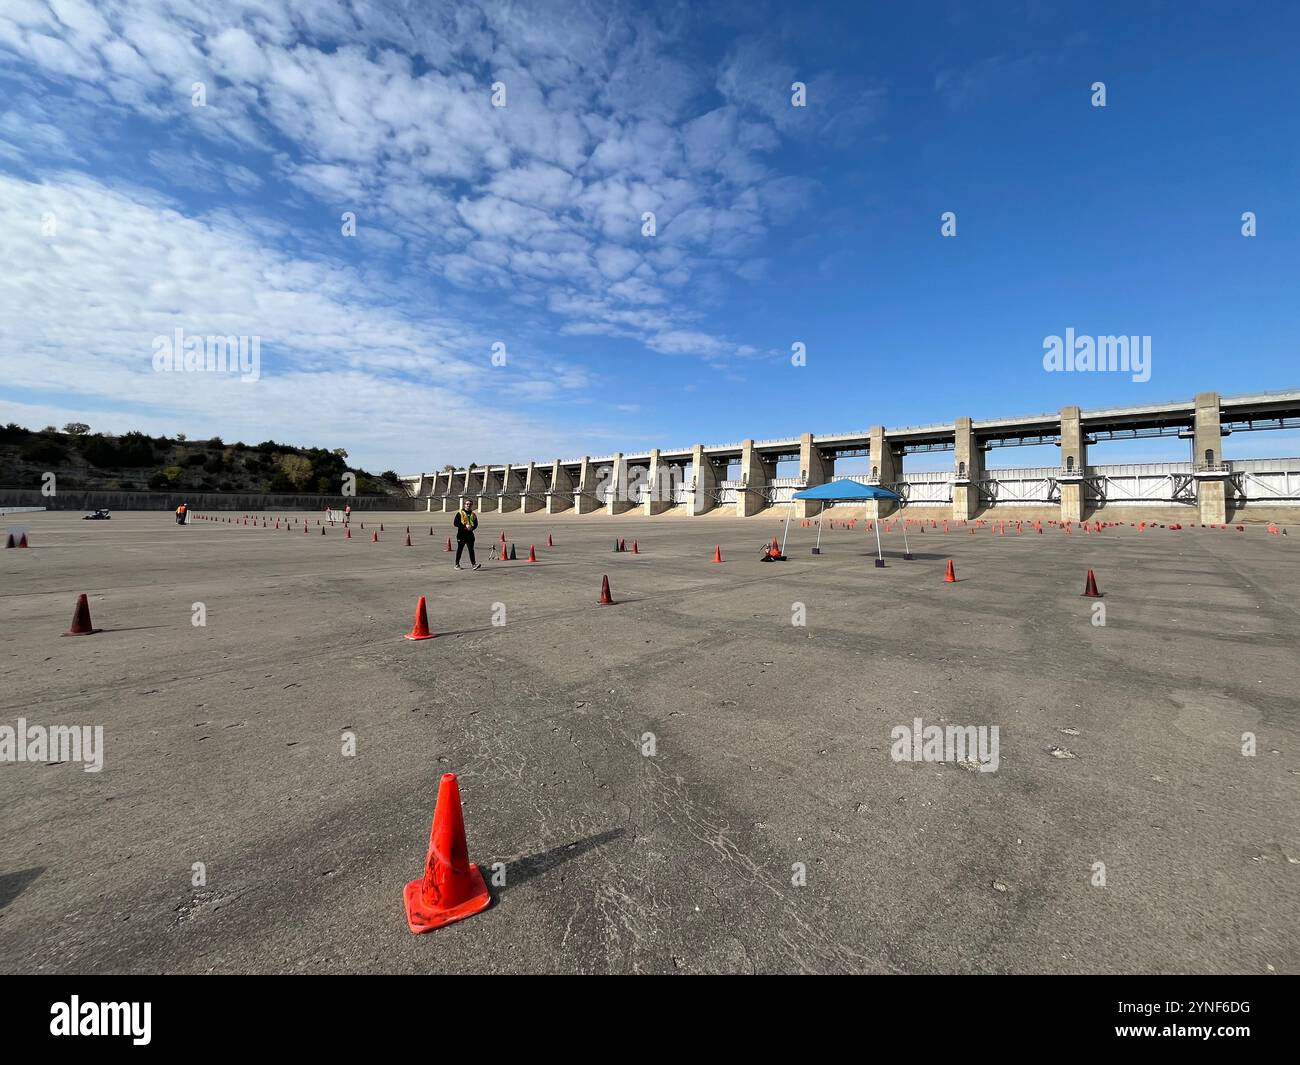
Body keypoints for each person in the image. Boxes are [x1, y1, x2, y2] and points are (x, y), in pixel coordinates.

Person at [453, 499, 482, 570]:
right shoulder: (460, 513)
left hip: (470, 535)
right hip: (461, 534)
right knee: (460, 549)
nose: (468, 505)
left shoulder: (473, 514)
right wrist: (465, 526)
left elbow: (476, 524)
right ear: (464, 505)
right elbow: (455, 523)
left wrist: (472, 528)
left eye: (470, 504)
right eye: (467, 504)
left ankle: (474, 564)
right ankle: (457, 564)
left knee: (471, 550)